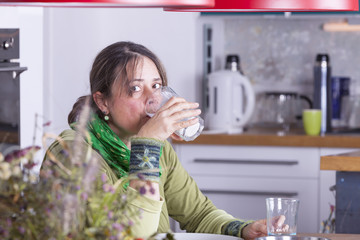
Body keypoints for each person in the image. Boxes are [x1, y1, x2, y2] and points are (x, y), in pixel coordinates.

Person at [43, 41, 267, 239]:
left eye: (157, 86)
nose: (153, 99)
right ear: (103, 102)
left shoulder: (158, 149)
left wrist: (243, 229)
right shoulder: (73, 152)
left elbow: (199, 215)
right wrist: (147, 146)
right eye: (136, 88)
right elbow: (132, 236)